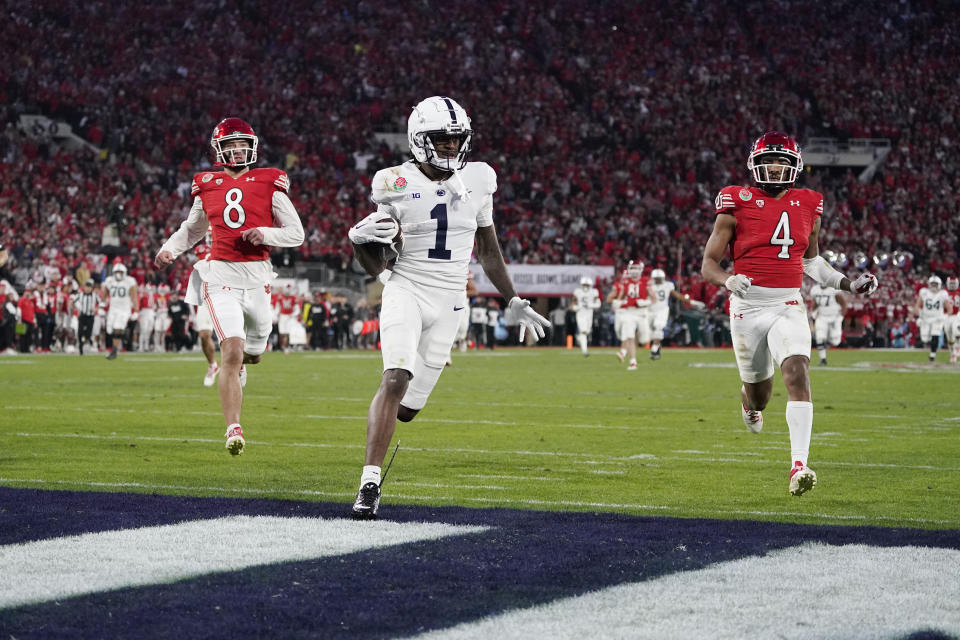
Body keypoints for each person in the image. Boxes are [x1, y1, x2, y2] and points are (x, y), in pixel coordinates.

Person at [346, 96, 550, 519]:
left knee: (406, 411)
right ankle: (369, 482)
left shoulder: (479, 178)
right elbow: (376, 265)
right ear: (419, 140)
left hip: (452, 302)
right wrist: (360, 242)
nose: (452, 149)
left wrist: (512, 298)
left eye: (457, 141)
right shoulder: (393, 182)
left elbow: (490, 252)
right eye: (442, 140)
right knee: (396, 377)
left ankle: (383, 418)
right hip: (407, 288)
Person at [701, 130, 878, 496]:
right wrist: (727, 280)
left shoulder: (809, 203)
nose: (776, 170)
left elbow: (812, 262)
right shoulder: (736, 201)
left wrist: (849, 284)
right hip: (748, 306)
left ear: (795, 167)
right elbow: (708, 265)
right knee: (760, 395)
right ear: (755, 166)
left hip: (788, 303)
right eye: (769, 163)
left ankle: (799, 466)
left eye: (782, 163)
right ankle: (748, 403)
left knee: (797, 372)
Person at [155, 117, 304, 455]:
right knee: (231, 352)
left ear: (251, 147)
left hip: (257, 277)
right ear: (219, 149)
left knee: (253, 355)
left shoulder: (269, 180)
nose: (237, 150)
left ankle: (238, 370)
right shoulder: (205, 182)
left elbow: (296, 234)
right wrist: (169, 249)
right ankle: (233, 428)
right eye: (231, 144)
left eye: (242, 144)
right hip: (220, 275)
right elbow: (192, 229)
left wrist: (264, 233)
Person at [647, 268, 701, 360]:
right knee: (650, 331)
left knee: (658, 327)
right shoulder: (648, 285)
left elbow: (676, 295)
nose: (658, 280)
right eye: (656, 278)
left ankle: (654, 350)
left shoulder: (667, 285)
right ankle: (657, 345)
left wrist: (690, 301)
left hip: (662, 310)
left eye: (659, 278)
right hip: (649, 310)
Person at [610, 260, 650, 370]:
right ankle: (632, 361)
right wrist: (618, 303)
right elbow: (620, 296)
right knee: (629, 336)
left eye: (636, 268)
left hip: (642, 313)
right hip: (629, 312)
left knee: (644, 340)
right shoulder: (624, 283)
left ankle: (624, 351)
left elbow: (654, 298)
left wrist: (645, 302)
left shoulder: (646, 281)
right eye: (632, 268)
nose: (634, 271)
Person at [102, 263, 139, 360]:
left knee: (117, 329)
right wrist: (102, 305)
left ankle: (114, 351)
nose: (119, 274)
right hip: (112, 308)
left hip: (124, 309)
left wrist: (136, 311)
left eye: (120, 272)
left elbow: (134, 297)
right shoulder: (109, 281)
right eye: (117, 272)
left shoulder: (129, 281)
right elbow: (105, 294)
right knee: (109, 330)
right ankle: (124, 335)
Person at [912, 275, 952, 363]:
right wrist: (919, 315)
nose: (934, 285)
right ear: (929, 284)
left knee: (935, 335)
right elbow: (917, 306)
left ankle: (932, 354)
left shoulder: (943, 294)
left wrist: (944, 317)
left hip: (937, 318)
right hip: (926, 318)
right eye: (932, 284)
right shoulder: (924, 292)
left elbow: (950, 309)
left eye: (935, 284)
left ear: (939, 284)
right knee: (925, 339)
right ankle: (931, 348)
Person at [809, 282, 847, 365]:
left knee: (835, 341)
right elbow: (815, 303)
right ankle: (823, 359)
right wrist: (813, 313)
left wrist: (840, 318)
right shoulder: (815, 290)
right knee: (820, 337)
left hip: (834, 317)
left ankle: (828, 341)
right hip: (822, 317)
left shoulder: (833, 289)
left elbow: (843, 304)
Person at [572, 276, 601, 356]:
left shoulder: (594, 292)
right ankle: (584, 351)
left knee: (587, 332)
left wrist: (590, 305)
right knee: (584, 332)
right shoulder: (577, 292)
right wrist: (576, 307)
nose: (585, 287)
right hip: (580, 314)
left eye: (587, 285)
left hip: (589, 315)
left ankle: (579, 338)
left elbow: (598, 304)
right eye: (584, 285)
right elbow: (573, 304)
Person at [75, 278, 99, 355]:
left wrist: (95, 308)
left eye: (89, 287)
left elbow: (101, 303)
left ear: (91, 288)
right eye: (86, 287)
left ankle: (87, 340)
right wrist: (78, 307)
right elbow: (74, 301)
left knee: (88, 332)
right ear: (84, 287)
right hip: (82, 315)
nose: (88, 289)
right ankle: (80, 346)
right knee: (80, 331)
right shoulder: (80, 295)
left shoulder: (95, 296)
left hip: (90, 316)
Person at [945, 276, 960, 364]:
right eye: (951, 283)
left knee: (957, 332)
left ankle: (958, 347)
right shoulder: (943, 293)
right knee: (949, 337)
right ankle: (952, 354)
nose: (952, 285)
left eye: (954, 284)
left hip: (957, 315)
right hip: (947, 316)